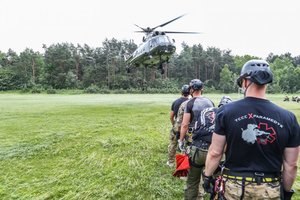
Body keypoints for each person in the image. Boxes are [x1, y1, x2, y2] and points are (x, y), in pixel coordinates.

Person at [203, 59, 300, 199]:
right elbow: (291, 165)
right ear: (266, 81)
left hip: (234, 189)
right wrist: (285, 191)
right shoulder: (288, 118)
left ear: (245, 81)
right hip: (270, 190)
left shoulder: (225, 112)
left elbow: (215, 152)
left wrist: (207, 176)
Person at [178, 79, 215, 200]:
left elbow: (184, 124)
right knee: (211, 178)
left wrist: (180, 140)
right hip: (211, 145)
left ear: (191, 89)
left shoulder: (190, 103)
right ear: (202, 89)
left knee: (192, 181)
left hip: (196, 145)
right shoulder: (210, 102)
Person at [167, 84, 190, 167]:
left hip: (177, 126)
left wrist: (174, 124)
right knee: (185, 146)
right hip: (187, 127)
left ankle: (170, 162)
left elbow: (171, 116)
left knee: (173, 144)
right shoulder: (190, 103)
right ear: (189, 92)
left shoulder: (176, 102)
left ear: (181, 92)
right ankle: (183, 164)